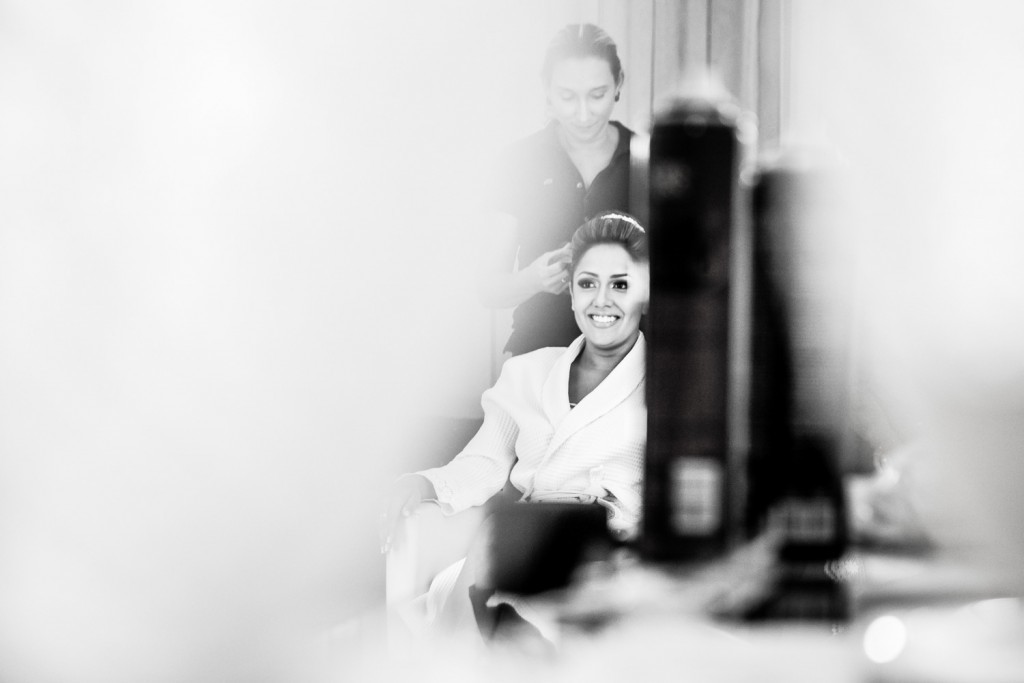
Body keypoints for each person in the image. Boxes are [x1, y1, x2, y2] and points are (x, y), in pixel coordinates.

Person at [382, 212, 649, 641]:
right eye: (587, 284)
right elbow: (485, 463)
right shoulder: (528, 372)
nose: (601, 300)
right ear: (571, 294)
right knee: (488, 589)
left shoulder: (668, 384)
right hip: (523, 542)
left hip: (609, 554)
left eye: (620, 285)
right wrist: (425, 483)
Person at [479, 23, 635, 356]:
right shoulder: (519, 162)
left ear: (618, 84)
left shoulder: (646, 161)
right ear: (547, 90)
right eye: (567, 97)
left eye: (597, 95)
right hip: (538, 355)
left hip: (629, 361)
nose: (583, 114)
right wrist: (534, 279)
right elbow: (488, 288)